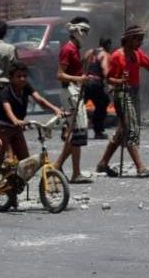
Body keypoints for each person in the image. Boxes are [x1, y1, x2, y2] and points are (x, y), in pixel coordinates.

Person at [0, 61, 63, 197]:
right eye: (18, 76)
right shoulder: (5, 92)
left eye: (24, 76)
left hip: (17, 129)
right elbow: (7, 109)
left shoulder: (26, 87)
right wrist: (15, 120)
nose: (22, 79)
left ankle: (13, 185)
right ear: (10, 78)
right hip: (3, 129)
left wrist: (55, 109)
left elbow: (39, 100)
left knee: (25, 162)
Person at [95, 25, 149, 178]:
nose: (140, 42)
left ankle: (103, 163)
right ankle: (140, 167)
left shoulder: (137, 53)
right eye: (138, 39)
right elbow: (109, 79)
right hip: (123, 94)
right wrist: (121, 80)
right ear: (129, 39)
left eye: (141, 39)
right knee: (132, 129)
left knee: (122, 132)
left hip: (134, 93)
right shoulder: (117, 56)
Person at [53, 17, 93, 184]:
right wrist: (79, 79)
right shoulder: (68, 49)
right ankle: (73, 172)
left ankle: (60, 165)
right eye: (84, 31)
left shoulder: (75, 48)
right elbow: (60, 74)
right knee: (77, 132)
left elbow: (74, 70)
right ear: (75, 30)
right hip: (70, 92)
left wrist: (85, 62)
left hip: (76, 91)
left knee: (77, 133)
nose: (85, 35)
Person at [83, 37, 112, 140]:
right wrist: (110, 83)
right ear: (107, 45)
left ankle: (70, 127)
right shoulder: (104, 54)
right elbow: (105, 70)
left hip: (85, 82)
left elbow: (83, 66)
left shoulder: (89, 52)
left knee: (79, 106)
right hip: (96, 83)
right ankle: (98, 131)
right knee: (103, 103)